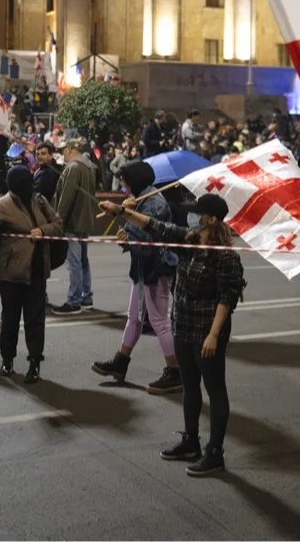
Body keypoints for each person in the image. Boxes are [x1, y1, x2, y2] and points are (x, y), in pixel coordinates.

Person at [100, 193, 246, 477]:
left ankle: (215, 453)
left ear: (211, 219)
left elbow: (227, 298)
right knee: (190, 387)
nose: (192, 216)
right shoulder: (190, 240)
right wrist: (121, 211)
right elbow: (156, 227)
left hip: (207, 333)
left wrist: (213, 335)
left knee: (215, 390)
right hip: (183, 327)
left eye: (198, 213)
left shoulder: (226, 256)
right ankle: (191, 442)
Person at [92, 161, 182, 394]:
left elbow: (148, 233)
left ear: (135, 180)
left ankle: (175, 372)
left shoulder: (154, 202)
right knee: (134, 317)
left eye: (125, 181)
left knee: (159, 321)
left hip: (156, 266)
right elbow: (136, 234)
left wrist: (127, 225)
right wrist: (126, 232)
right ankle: (121, 361)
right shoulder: (140, 199)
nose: (124, 186)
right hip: (143, 265)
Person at [0, 165, 64, 383]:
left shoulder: (39, 201)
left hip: (37, 270)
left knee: (35, 320)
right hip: (10, 273)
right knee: (10, 319)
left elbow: (58, 224)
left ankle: (35, 362)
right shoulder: (1, 205)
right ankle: (7, 360)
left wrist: (42, 231)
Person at [52, 138, 97, 315]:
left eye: (64, 149)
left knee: (74, 262)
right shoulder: (88, 166)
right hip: (84, 220)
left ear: (70, 149)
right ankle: (86, 297)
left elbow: (66, 198)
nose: (63, 153)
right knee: (83, 260)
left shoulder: (73, 167)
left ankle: (74, 301)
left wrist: (58, 221)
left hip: (73, 221)